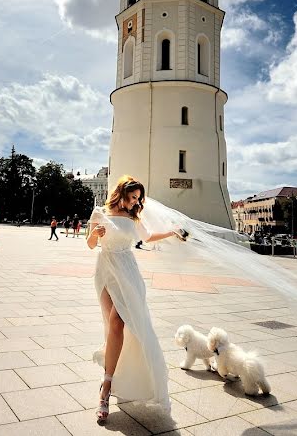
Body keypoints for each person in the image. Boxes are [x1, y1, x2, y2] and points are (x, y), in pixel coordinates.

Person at [86, 175, 184, 422]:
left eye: (139, 199)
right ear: (121, 193)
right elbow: (90, 244)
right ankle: (111, 377)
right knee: (111, 328)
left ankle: (105, 389)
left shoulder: (133, 218)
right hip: (105, 272)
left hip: (128, 273)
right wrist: (95, 234)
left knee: (119, 322)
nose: (135, 202)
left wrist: (171, 232)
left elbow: (148, 237)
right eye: (132, 197)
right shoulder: (100, 213)